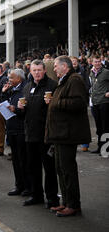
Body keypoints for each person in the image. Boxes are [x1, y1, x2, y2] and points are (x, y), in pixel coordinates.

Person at [45, 56, 91, 217]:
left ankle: (73, 204)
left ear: (65, 66)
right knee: (60, 169)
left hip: (67, 133)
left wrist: (56, 102)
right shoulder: (65, 80)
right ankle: (66, 201)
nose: (54, 69)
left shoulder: (74, 79)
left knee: (68, 170)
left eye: (56, 66)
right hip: (59, 133)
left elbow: (79, 103)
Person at [19, 60, 58, 207]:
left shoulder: (52, 86)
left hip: (46, 135)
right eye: (34, 70)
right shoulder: (27, 87)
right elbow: (24, 114)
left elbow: (58, 111)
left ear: (44, 71)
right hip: (30, 134)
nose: (36, 73)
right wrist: (20, 108)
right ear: (30, 72)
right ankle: (36, 195)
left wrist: (52, 104)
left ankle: (52, 198)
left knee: (49, 168)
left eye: (39, 70)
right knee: (33, 167)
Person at [2, 69, 31, 197]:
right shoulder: (11, 89)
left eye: (11, 78)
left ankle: (27, 186)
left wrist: (16, 110)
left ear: (19, 78)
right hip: (11, 127)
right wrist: (3, 93)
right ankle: (18, 185)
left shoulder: (24, 89)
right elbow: (4, 104)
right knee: (15, 159)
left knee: (23, 160)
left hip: (20, 129)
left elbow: (25, 111)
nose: (9, 80)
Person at [89, 55, 109, 154]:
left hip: (104, 102)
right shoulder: (92, 73)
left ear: (101, 62)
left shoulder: (106, 72)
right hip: (95, 102)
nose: (97, 63)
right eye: (95, 62)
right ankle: (100, 147)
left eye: (98, 61)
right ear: (92, 62)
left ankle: (105, 149)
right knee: (99, 127)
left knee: (105, 126)